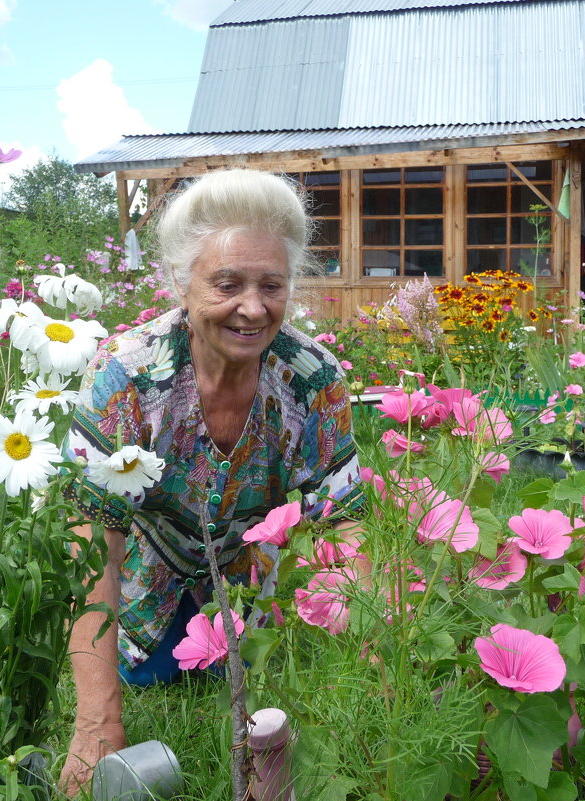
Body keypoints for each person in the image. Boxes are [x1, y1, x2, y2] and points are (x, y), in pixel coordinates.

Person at [57, 169, 364, 795]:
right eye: (227, 283)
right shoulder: (127, 376)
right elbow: (91, 542)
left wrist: (370, 646)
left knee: (283, 695)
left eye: (270, 285)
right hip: (155, 586)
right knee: (157, 675)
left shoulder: (313, 377)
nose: (253, 307)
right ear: (181, 281)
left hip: (266, 586)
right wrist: (97, 721)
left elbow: (344, 520)